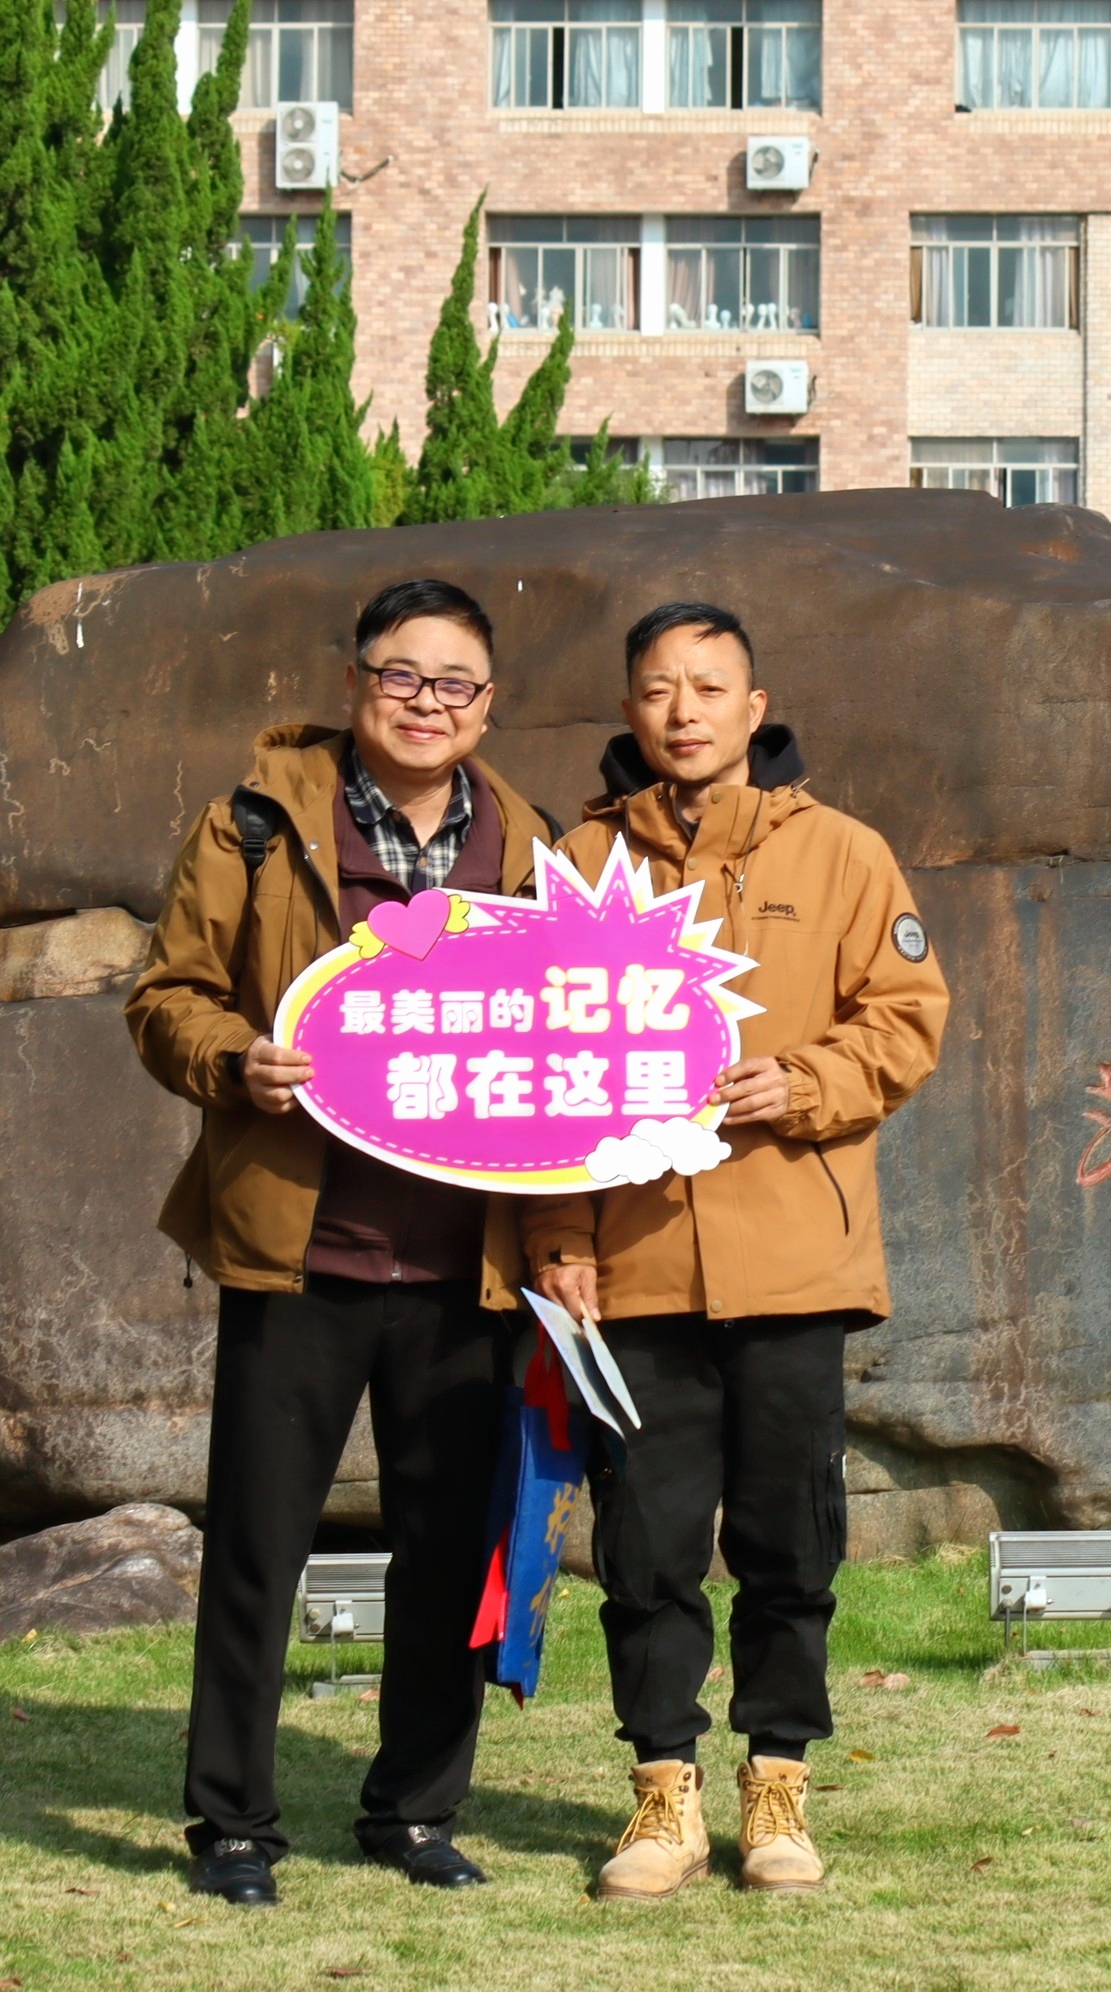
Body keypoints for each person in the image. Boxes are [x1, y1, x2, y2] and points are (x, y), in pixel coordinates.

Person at [127, 579, 559, 1907]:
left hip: (466, 1264)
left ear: (488, 703)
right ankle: (233, 1826)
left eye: (455, 683)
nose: (428, 703)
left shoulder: (531, 847)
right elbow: (167, 996)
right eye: (402, 675)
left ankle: (415, 1810)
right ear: (358, 680)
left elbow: (568, 1031)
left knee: (450, 1548)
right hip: (300, 1248)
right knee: (260, 1546)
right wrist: (234, 1060)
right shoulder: (254, 824)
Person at [528, 601, 947, 1899]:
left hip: (793, 1261)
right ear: (629, 708)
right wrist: (558, 1235)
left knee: (790, 1538)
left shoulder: (844, 854)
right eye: (660, 688)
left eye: (711, 687)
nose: (685, 711)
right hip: (635, 1267)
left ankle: (778, 1786)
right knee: (646, 1547)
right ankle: (663, 1794)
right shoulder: (575, 864)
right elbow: (533, 1072)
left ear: (755, 709)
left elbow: (907, 1018)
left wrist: (804, 1082)